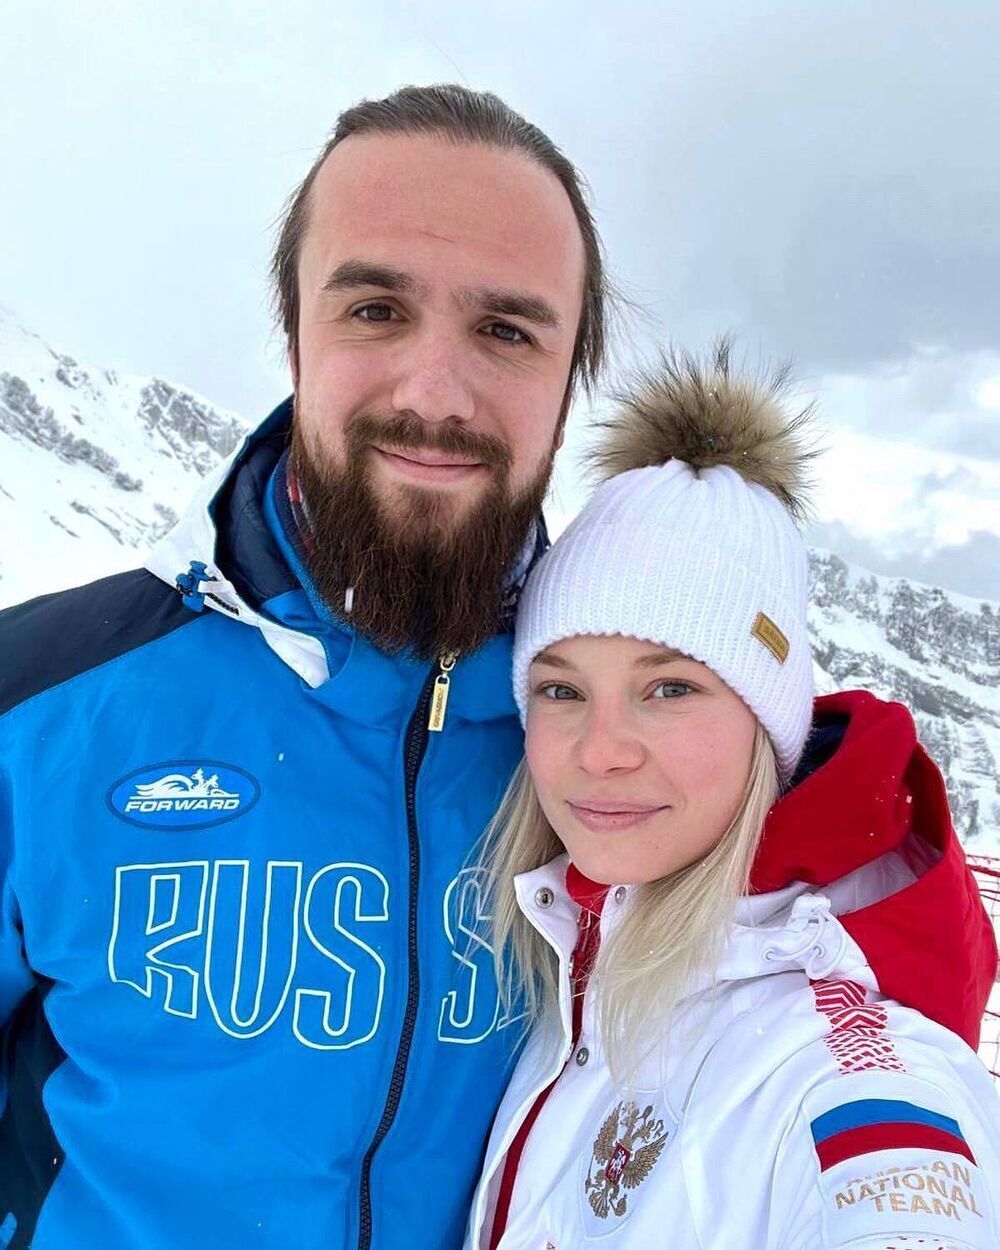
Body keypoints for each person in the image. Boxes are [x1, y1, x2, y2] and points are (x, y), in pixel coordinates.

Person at [0, 85, 605, 1250]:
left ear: (569, 379)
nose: (434, 393)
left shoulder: (625, 746)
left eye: (506, 331)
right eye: (376, 308)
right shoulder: (38, 706)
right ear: (294, 337)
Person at [468, 344, 1000, 1250]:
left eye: (670, 688)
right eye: (561, 689)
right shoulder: (574, 959)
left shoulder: (849, 1082)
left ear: (768, 725)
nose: (600, 751)